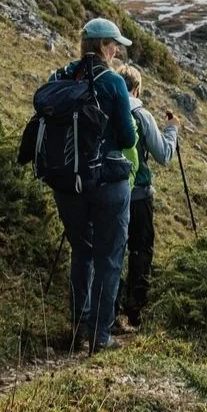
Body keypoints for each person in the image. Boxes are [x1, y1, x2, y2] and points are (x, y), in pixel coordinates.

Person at [47, 18, 138, 354]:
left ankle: (77, 329)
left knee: (81, 251)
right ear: (102, 46)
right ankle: (99, 336)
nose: (117, 50)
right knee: (109, 257)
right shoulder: (113, 82)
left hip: (67, 180)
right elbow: (128, 137)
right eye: (114, 44)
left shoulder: (60, 77)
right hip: (107, 181)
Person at [115, 65, 178, 331]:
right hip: (138, 193)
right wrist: (172, 129)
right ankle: (135, 310)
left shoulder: (106, 108)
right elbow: (163, 154)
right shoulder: (141, 114)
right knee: (141, 249)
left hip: (108, 190)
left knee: (111, 249)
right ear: (137, 88)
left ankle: (110, 308)